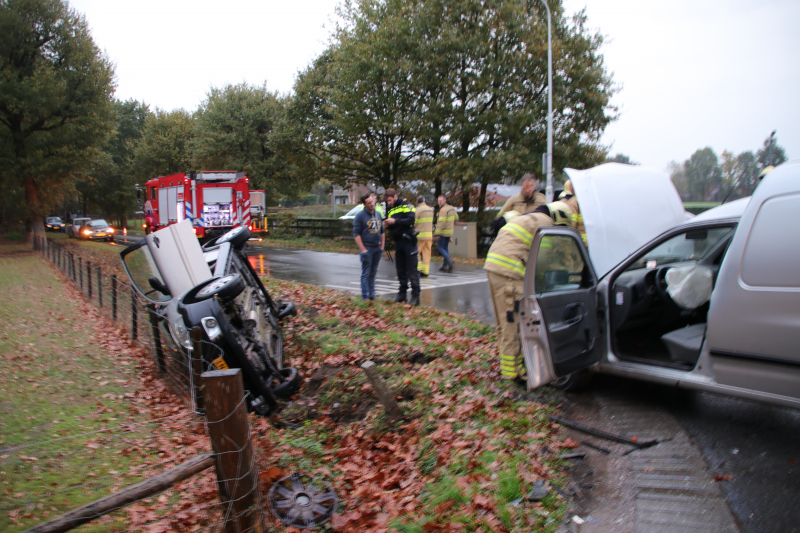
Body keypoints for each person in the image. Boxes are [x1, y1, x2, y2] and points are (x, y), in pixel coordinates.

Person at [484, 200, 574, 381]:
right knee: (514, 322)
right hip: (510, 272)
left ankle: (509, 367)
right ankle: (513, 374)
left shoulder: (531, 218)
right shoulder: (546, 224)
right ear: (560, 218)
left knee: (504, 322)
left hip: (495, 268)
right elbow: (545, 261)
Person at [384, 188, 420, 305]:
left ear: (395, 196)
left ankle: (415, 296)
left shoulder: (406, 203)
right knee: (400, 269)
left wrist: (395, 221)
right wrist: (388, 225)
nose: (389, 203)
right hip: (398, 241)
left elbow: (411, 219)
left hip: (408, 241)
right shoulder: (390, 209)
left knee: (412, 270)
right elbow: (394, 225)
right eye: (387, 201)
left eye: (390, 200)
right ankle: (402, 294)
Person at [353, 193, 385, 300]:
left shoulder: (378, 214)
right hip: (367, 248)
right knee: (366, 274)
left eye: (372, 201)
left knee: (373, 273)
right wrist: (363, 249)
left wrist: (382, 246)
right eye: (369, 203)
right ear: (365, 204)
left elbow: (382, 231)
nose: (372, 204)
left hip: (377, 248)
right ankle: (365, 296)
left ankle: (372, 295)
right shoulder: (360, 216)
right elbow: (356, 234)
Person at [433, 194, 458, 272]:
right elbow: (457, 218)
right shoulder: (452, 208)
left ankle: (449, 261)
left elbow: (441, 222)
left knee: (440, 247)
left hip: (443, 232)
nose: (439, 202)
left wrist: (436, 233)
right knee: (445, 248)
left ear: (444, 201)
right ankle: (445, 265)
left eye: (440, 201)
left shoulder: (443, 210)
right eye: (438, 201)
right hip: (449, 232)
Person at [559, 179, 586, 246]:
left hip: (580, 243)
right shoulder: (590, 199)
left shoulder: (573, 202)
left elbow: (571, 225)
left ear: (572, 187)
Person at [415, 196, 434, 276]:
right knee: (427, 254)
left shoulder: (417, 210)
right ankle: (425, 272)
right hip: (429, 236)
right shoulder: (430, 209)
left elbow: (414, 222)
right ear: (424, 201)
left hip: (420, 235)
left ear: (417, 202)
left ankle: (418, 270)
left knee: (417, 252)